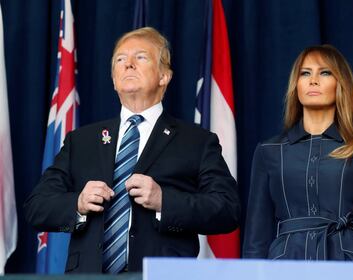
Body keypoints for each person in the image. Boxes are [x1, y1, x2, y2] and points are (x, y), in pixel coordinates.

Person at [24, 27, 240, 273]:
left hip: (162, 274)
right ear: (114, 80)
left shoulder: (197, 141)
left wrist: (164, 201)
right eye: (120, 59)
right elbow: (36, 208)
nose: (128, 64)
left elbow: (227, 210)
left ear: (164, 76)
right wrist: (78, 204)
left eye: (140, 57)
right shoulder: (81, 141)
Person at [243, 45, 353, 261]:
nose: (313, 80)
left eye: (325, 72)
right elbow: (255, 238)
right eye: (305, 73)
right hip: (286, 265)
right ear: (296, 85)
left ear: (340, 83)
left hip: (350, 264)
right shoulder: (269, 151)